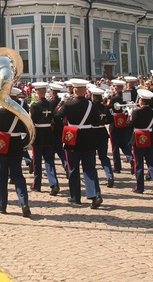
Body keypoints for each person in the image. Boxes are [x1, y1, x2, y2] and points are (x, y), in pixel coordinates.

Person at [57, 78, 103, 209]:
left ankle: (75, 196)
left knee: (73, 169)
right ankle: (95, 194)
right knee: (90, 169)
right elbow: (96, 122)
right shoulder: (91, 105)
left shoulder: (68, 104)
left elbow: (56, 116)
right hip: (88, 138)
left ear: (74, 90)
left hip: (72, 138)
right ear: (85, 91)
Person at [0, 101, 32, 217]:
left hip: (2, 144)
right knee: (18, 176)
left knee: (1, 176)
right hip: (16, 144)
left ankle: (2, 205)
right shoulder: (20, 112)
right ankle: (24, 203)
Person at [131, 88, 153, 196]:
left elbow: (129, 125)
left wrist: (130, 116)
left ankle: (139, 187)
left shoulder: (136, 112)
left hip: (138, 137)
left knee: (139, 163)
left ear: (141, 101)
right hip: (150, 137)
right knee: (151, 163)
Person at [29, 82, 59, 195]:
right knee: (50, 161)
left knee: (37, 162)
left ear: (37, 92)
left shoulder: (34, 106)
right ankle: (54, 183)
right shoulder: (51, 104)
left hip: (38, 135)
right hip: (48, 134)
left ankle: (37, 184)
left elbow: (31, 121)